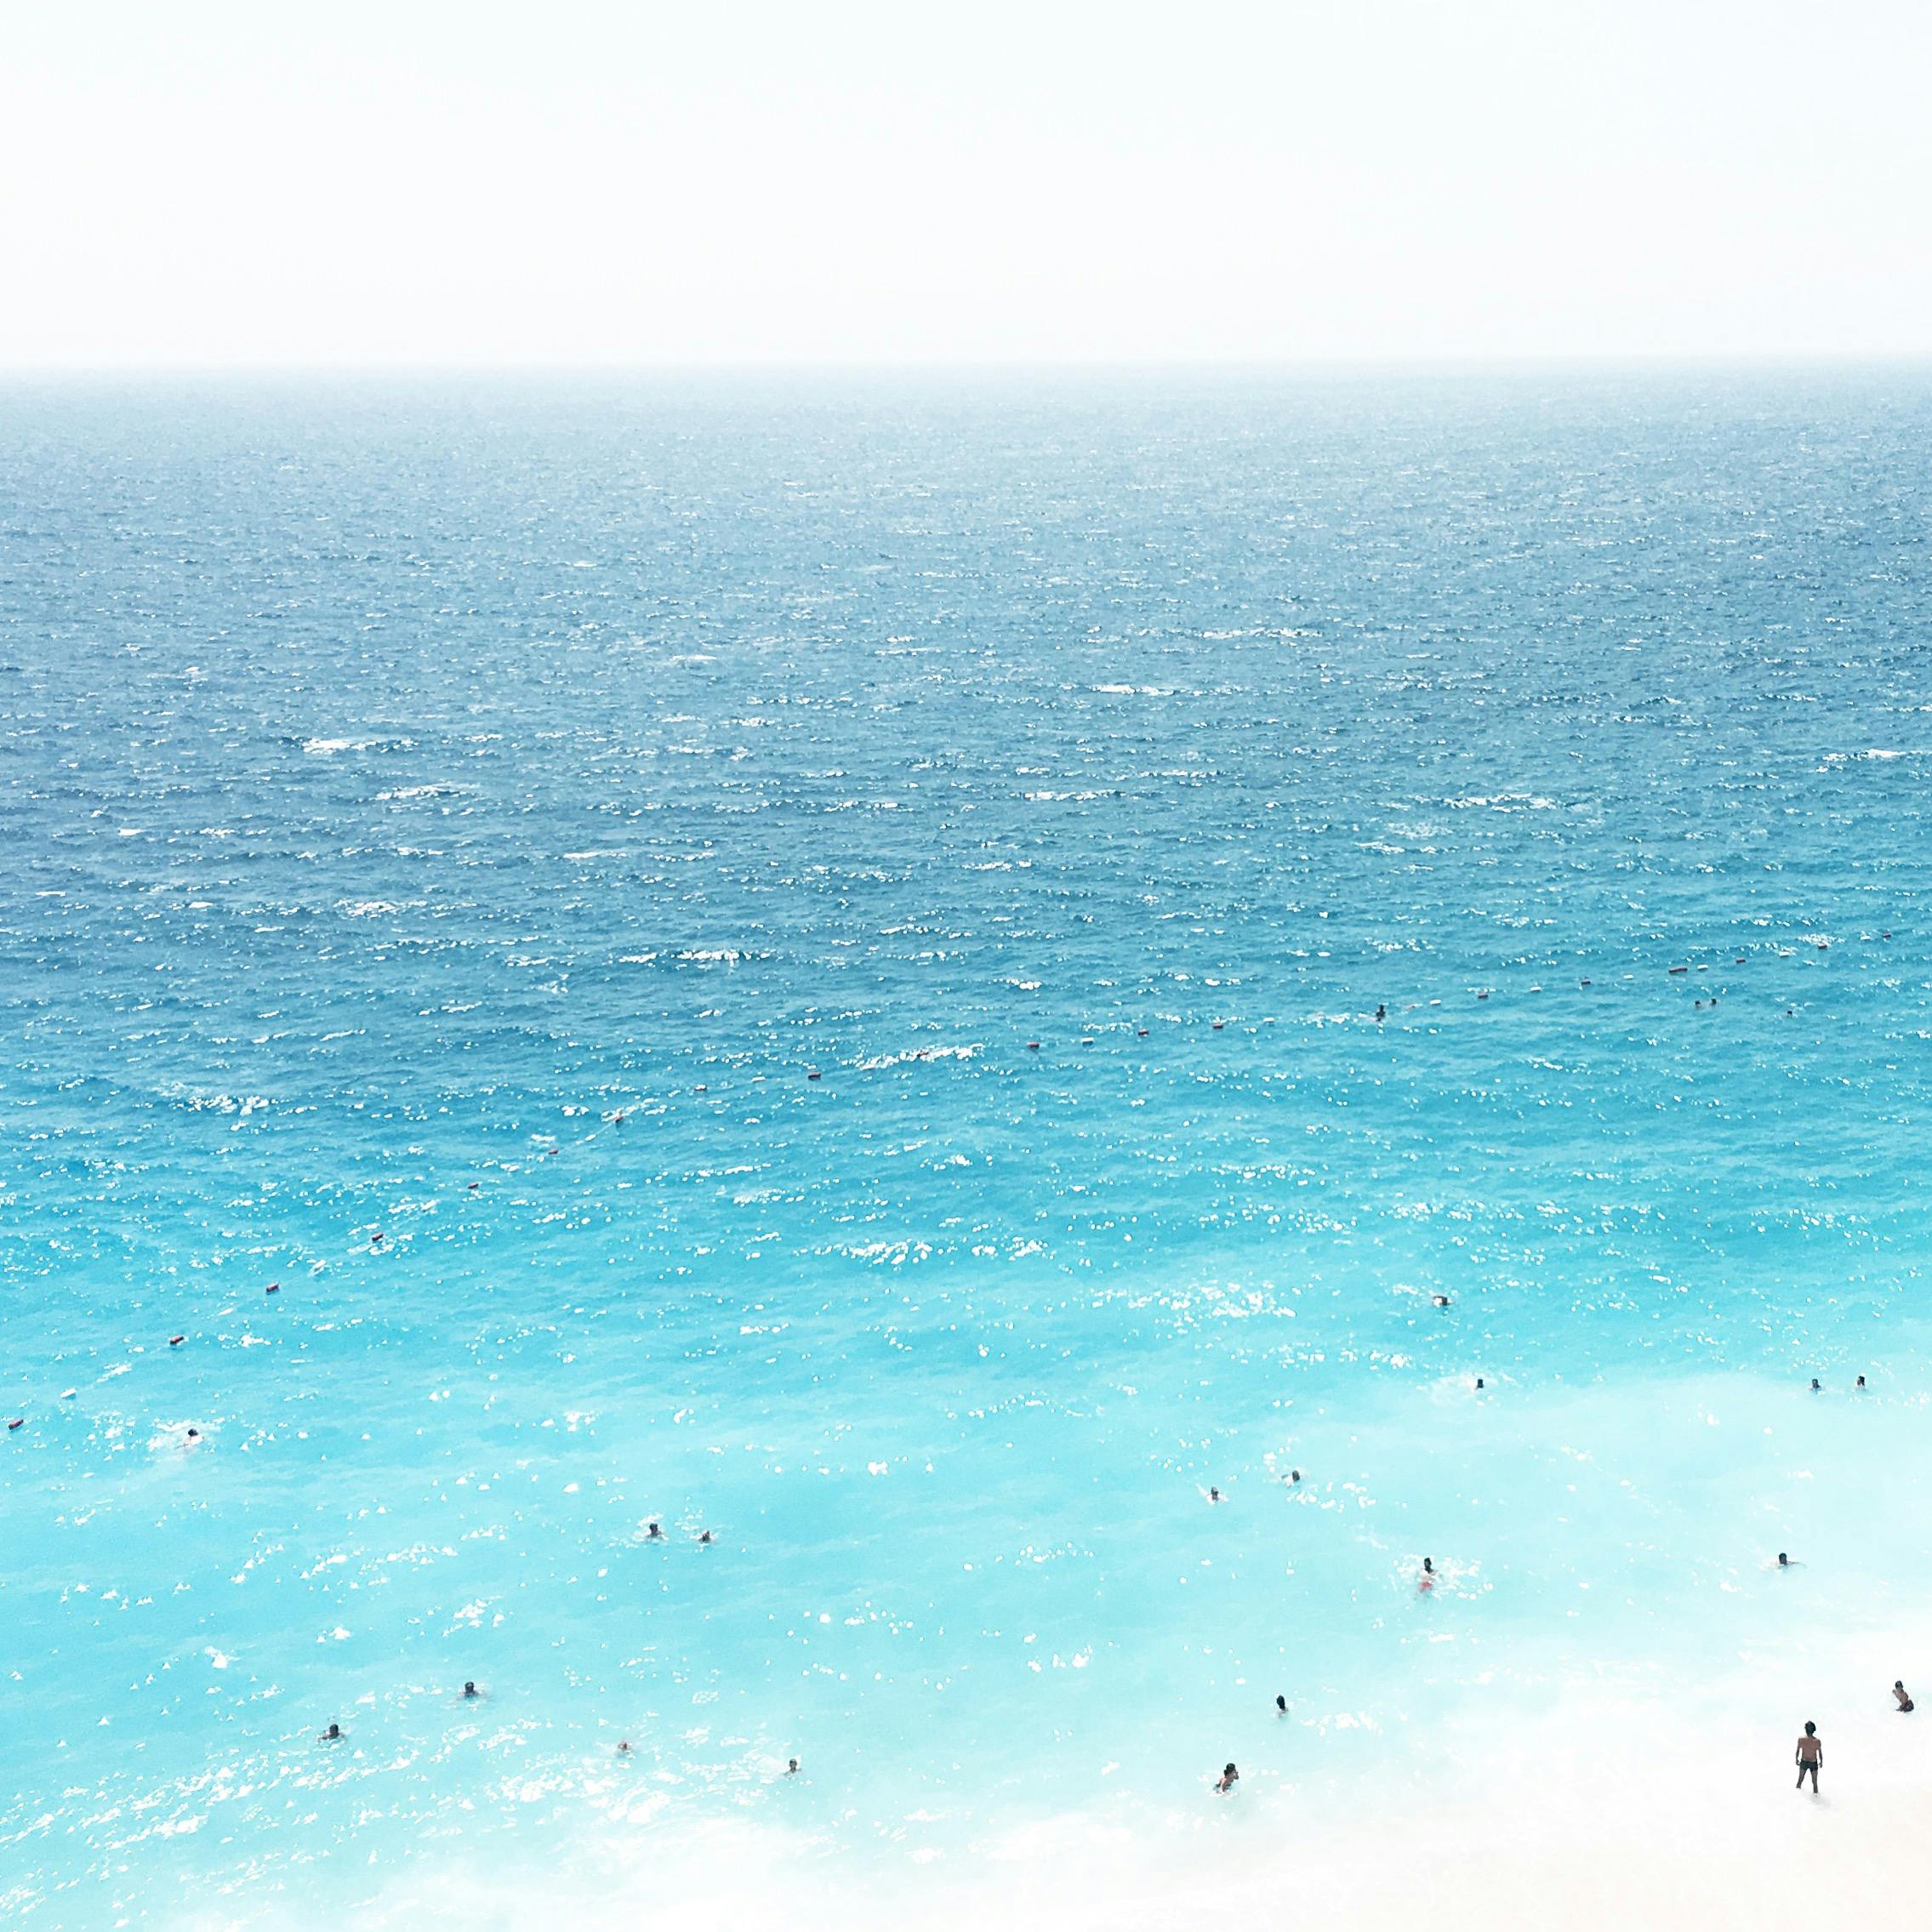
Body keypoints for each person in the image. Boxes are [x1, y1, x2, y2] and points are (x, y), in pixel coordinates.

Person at [1795, 1722, 1821, 1792]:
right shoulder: (1816, 1741)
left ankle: (1796, 1796)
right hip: (1809, 1762)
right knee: (1814, 1782)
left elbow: (1797, 1750)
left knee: (1801, 1780)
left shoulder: (1816, 1741)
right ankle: (1816, 1800)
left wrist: (1796, 1759)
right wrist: (1821, 1761)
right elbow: (1820, 1753)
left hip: (1808, 1762)